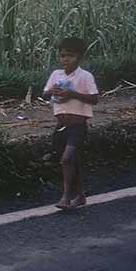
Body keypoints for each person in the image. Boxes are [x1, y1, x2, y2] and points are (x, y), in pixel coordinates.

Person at [41, 37, 99, 210]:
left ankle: (66, 196)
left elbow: (94, 99)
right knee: (71, 162)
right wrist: (51, 92)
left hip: (77, 126)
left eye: (70, 56)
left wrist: (72, 94)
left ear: (80, 57)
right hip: (61, 126)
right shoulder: (56, 75)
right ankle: (80, 196)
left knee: (67, 159)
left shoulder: (85, 76)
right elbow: (44, 95)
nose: (65, 59)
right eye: (62, 55)